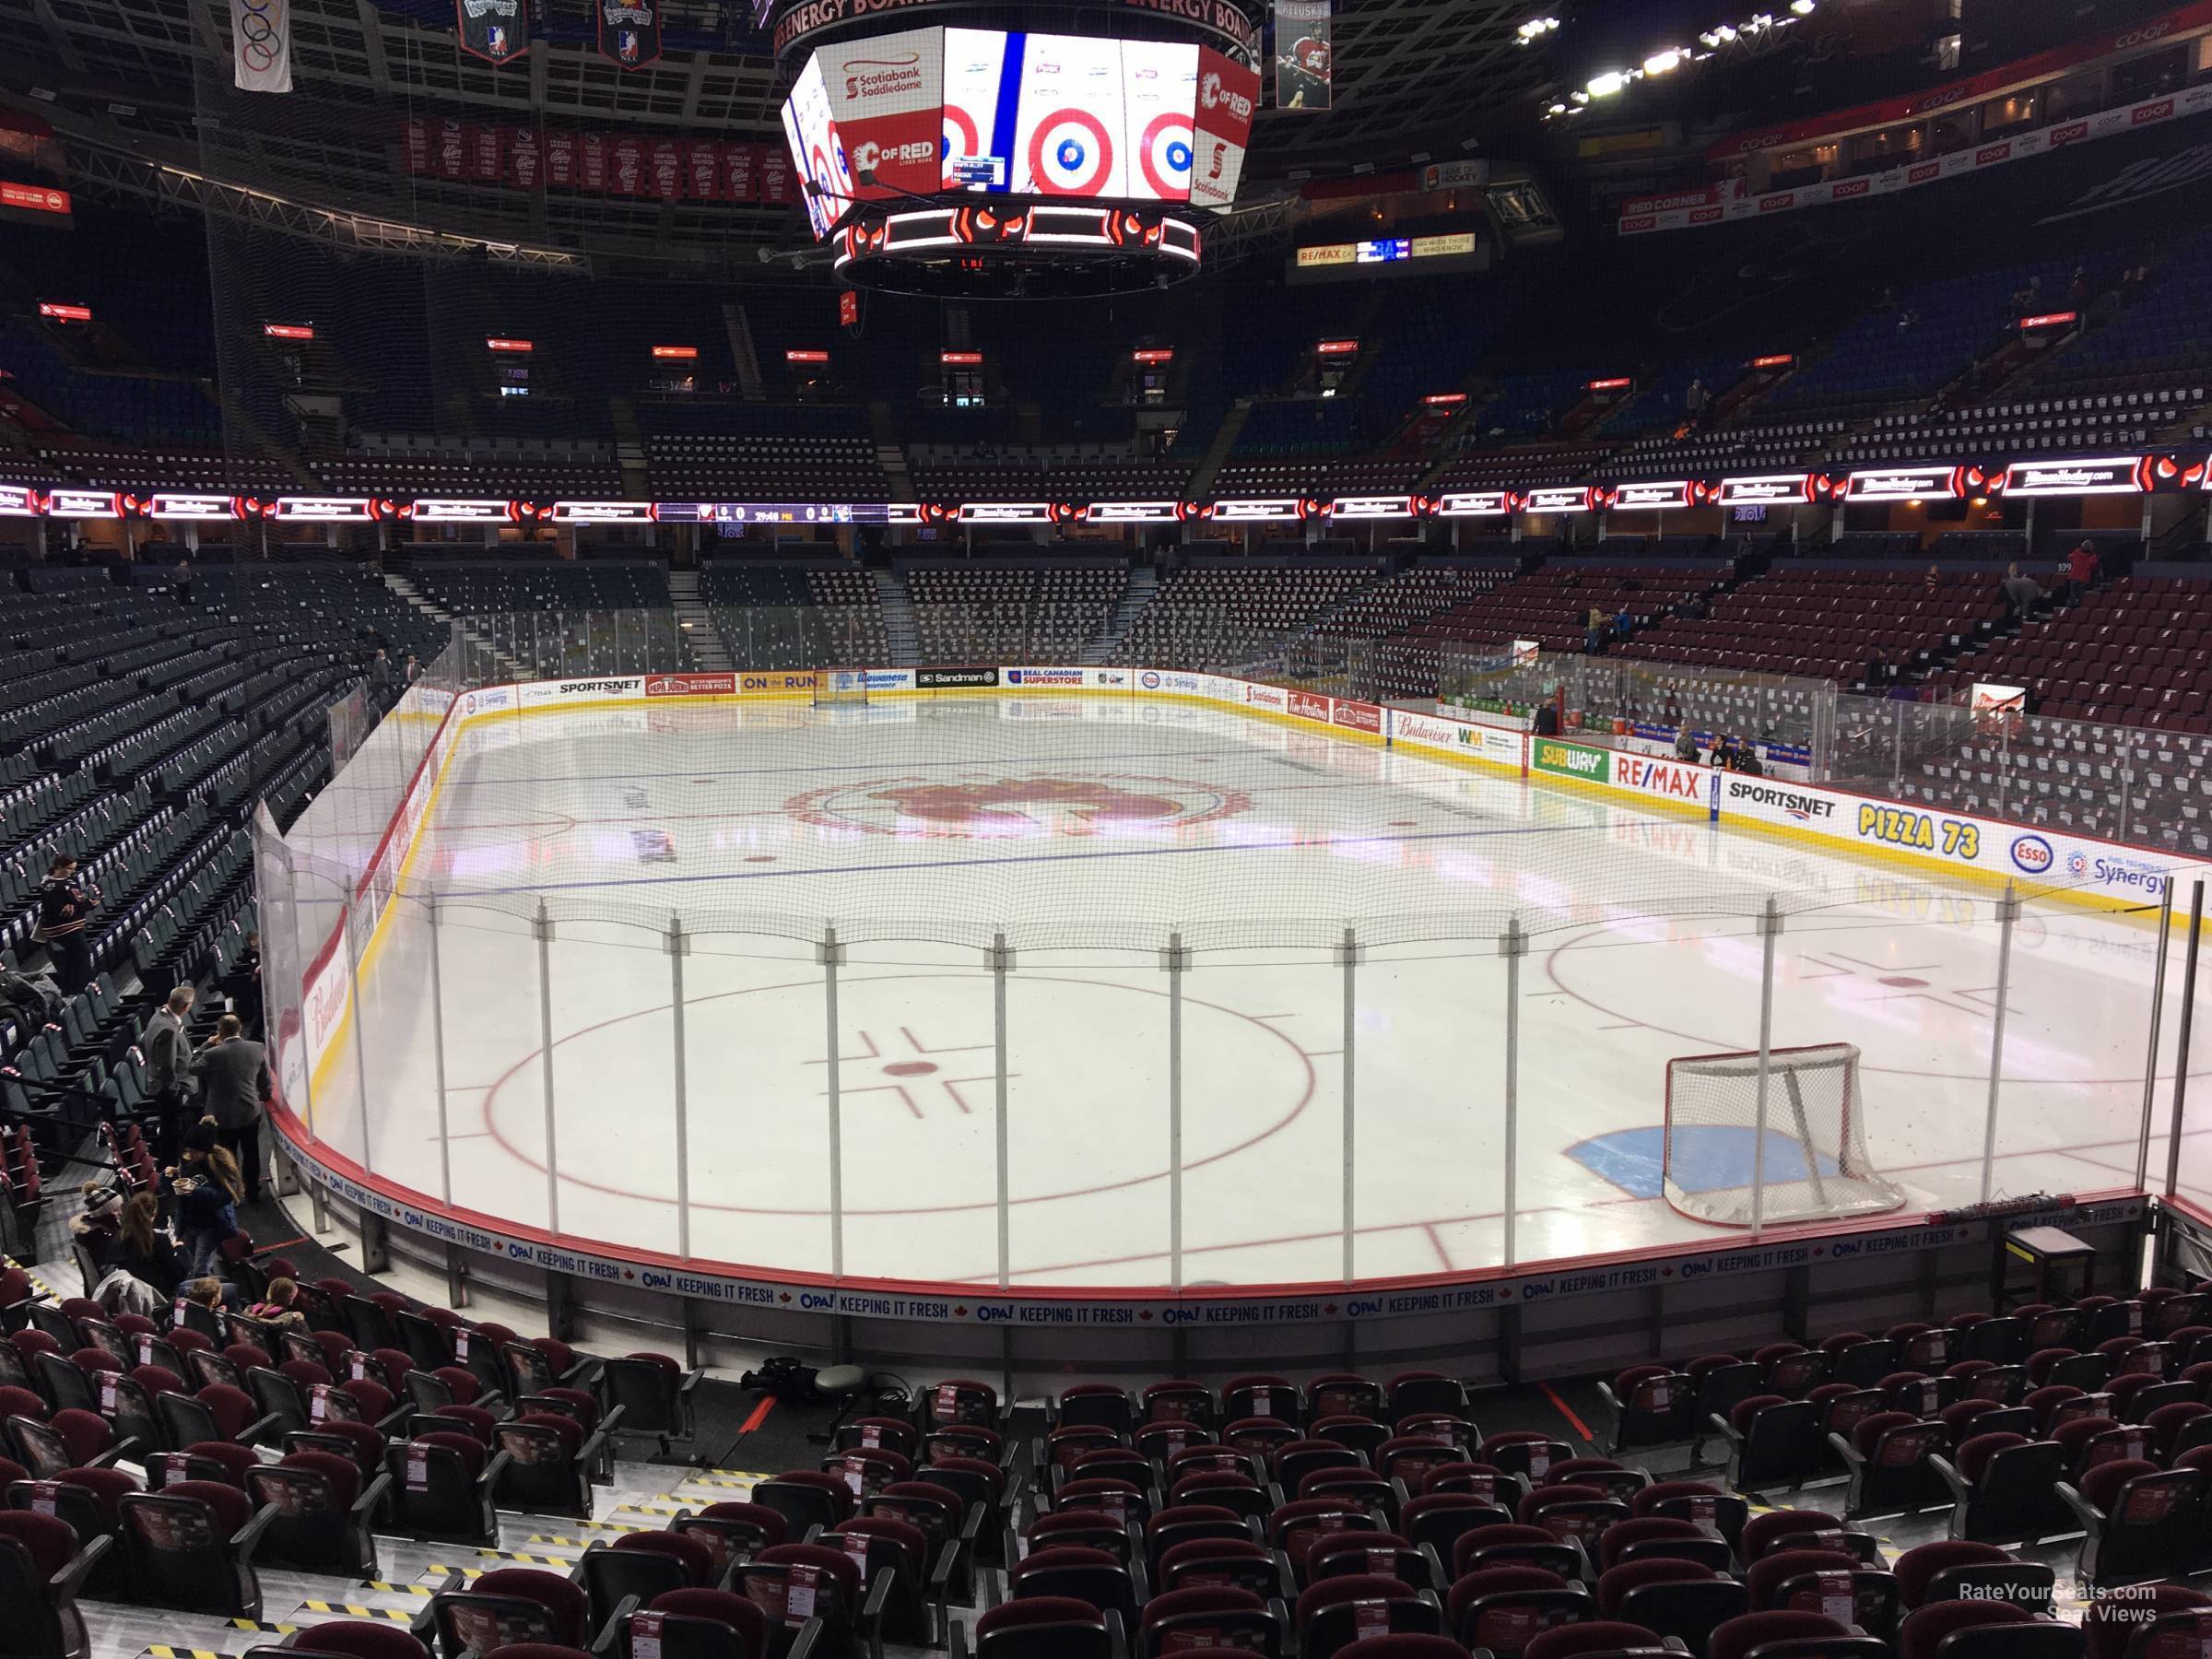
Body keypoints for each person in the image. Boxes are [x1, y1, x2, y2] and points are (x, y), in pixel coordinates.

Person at [193, 1014, 271, 1203]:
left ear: (219, 1032)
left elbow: (192, 1068)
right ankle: (252, 1191)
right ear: (240, 1029)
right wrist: (265, 1097)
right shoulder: (257, 1048)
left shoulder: (212, 1054)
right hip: (249, 1112)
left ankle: (230, 1193)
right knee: (251, 1153)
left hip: (222, 1116)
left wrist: (206, 1045)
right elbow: (265, 1082)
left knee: (226, 1156)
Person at [168, 1121, 244, 1277]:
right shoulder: (187, 1163)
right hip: (190, 1223)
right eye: (188, 1151)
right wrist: (168, 1177)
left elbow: (222, 1198)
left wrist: (195, 1192)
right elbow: (171, 1192)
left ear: (204, 1150)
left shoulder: (219, 1166)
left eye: (194, 1152)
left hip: (211, 1226)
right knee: (192, 1265)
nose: (190, 1155)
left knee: (200, 1271)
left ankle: (211, 1297)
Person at [141, 985, 196, 1166]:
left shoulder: (160, 1015)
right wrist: (174, 1090)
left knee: (172, 1130)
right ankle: (170, 1170)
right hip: (169, 1090)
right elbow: (166, 1066)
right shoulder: (167, 1029)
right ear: (185, 1007)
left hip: (167, 1085)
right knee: (171, 1132)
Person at [103, 1192, 187, 1301]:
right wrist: (178, 1251)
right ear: (154, 1212)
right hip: (163, 1297)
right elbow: (179, 1275)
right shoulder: (158, 1241)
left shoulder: (116, 1240)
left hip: (133, 1299)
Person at [35, 853, 98, 993]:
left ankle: (69, 988)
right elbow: (75, 904)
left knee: (73, 956)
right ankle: (81, 987)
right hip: (64, 928)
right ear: (59, 867)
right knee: (83, 954)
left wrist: (78, 905)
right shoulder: (55, 886)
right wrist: (90, 903)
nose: (72, 871)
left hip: (66, 926)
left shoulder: (60, 883)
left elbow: (75, 903)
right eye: (69, 869)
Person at [245, 1277, 309, 1330]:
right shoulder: (294, 1320)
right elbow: (308, 1340)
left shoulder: (250, 1310)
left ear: (269, 1293)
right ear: (290, 1299)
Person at [2067, 537, 2099, 601]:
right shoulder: (2093, 556)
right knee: (2081, 594)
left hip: (2074, 576)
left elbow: (2070, 557)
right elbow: (2094, 565)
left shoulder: (2077, 552)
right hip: (2084, 578)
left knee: (2073, 594)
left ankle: (2073, 606)